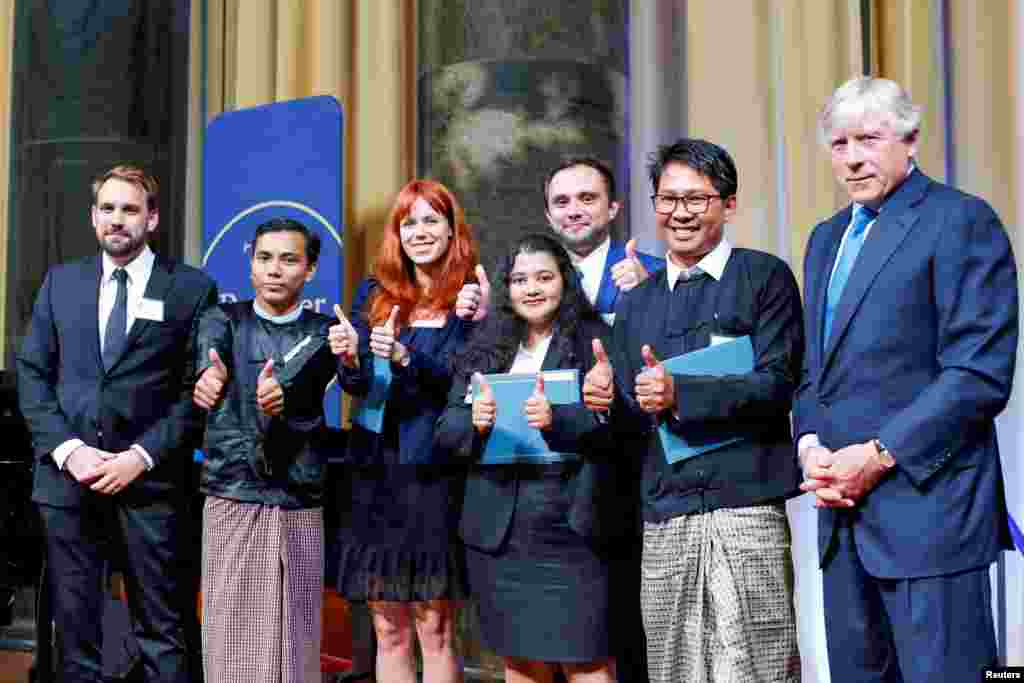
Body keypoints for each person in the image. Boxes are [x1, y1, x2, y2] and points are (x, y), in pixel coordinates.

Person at [794, 76, 1018, 681]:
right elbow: (815, 372)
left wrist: (878, 454)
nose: (853, 156)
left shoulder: (961, 220)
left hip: (931, 514)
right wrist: (811, 446)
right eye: (839, 143)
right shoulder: (824, 240)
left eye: (869, 138)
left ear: (910, 140)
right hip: (842, 518)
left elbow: (978, 374)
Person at [583, 138, 804, 682]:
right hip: (667, 512)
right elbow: (633, 422)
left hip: (746, 504)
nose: (680, 213)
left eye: (697, 199)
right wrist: (604, 400)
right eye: (667, 198)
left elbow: (779, 381)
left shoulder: (764, 277)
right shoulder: (637, 301)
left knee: (758, 663)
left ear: (728, 204)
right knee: (673, 668)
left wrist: (680, 393)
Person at [17, 164, 217, 683]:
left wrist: (139, 457)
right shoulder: (61, 282)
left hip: (151, 485)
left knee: (163, 633)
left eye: (130, 209)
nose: (117, 219)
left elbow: (196, 395)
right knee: (76, 635)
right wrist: (70, 450)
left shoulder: (191, 289)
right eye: (107, 209)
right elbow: (33, 375)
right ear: (93, 217)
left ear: (152, 218)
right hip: (68, 485)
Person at [436, 232, 630, 683]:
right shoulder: (486, 344)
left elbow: (622, 426)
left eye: (544, 276)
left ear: (565, 280)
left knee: (589, 662)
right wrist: (475, 422)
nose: (532, 288)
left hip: (576, 529)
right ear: (508, 288)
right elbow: (445, 429)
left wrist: (561, 417)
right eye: (521, 279)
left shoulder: (596, 337)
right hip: (502, 532)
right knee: (520, 664)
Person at [332, 179, 480, 683]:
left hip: (433, 473)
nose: (419, 232)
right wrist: (349, 357)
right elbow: (356, 384)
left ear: (451, 229)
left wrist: (404, 355)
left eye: (431, 220)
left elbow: (459, 382)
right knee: (386, 626)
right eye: (408, 222)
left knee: (433, 625)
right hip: (374, 474)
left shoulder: (468, 299)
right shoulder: (373, 293)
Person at [192, 218, 339, 683]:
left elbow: (336, 383)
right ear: (251, 263)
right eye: (265, 257)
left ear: (310, 270)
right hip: (232, 492)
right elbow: (207, 361)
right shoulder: (222, 320)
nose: (275, 269)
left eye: (289, 259)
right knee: (229, 633)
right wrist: (208, 378)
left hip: (298, 496)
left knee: (296, 634)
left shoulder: (325, 332)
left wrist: (347, 362)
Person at [543, 156, 663, 325]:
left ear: (612, 209)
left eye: (587, 199)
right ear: (549, 216)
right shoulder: (528, 284)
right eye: (562, 202)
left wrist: (649, 297)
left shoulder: (659, 274)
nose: (573, 212)